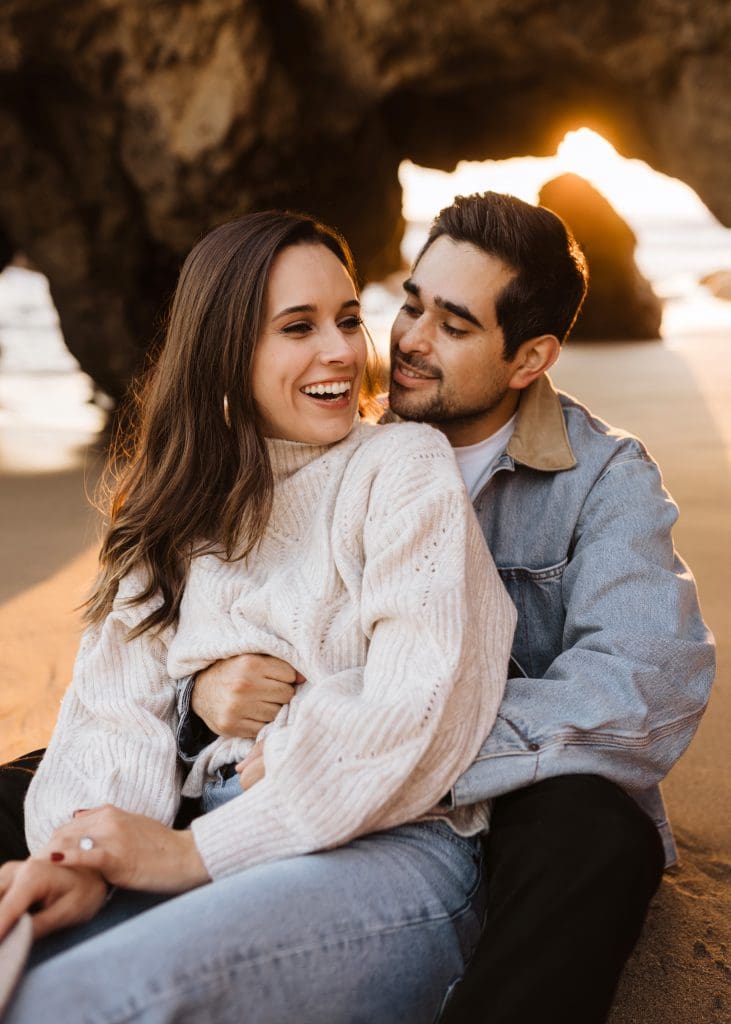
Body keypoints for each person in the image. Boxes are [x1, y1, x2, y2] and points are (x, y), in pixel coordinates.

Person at [0, 191, 715, 1023]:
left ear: (528, 358)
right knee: (40, 792)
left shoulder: (592, 479)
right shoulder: (330, 434)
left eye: (452, 326)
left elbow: (639, 686)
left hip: (501, 791)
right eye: (408, 304)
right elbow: (129, 687)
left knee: (593, 834)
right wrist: (194, 711)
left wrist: (355, 729)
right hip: (270, 778)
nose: (401, 342)